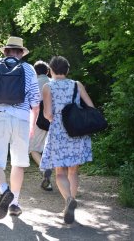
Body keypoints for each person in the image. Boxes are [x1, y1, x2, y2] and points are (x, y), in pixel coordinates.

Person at [0, 36, 41, 219]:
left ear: (5, 51)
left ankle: (4, 190)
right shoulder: (28, 69)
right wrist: (32, 124)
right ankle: (14, 204)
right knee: (19, 162)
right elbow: (35, 102)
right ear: (21, 53)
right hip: (22, 119)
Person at [40, 56, 93, 224]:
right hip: (76, 132)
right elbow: (91, 108)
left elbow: (48, 114)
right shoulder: (77, 85)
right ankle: (70, 202)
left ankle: (68, 199)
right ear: (67, 70)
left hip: (58, 133)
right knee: (73, 171)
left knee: (60, 172)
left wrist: (53, 117)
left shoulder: (48, 87)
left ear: (50, 71)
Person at [29, 61, 53, 191]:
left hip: (38, 120)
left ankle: (44, 170)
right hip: (54, 120)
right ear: (48, 71)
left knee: (33, 148)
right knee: (48, 150)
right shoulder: (53, 82)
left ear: (35, 72)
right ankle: (48, 182)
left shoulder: (33, 84)